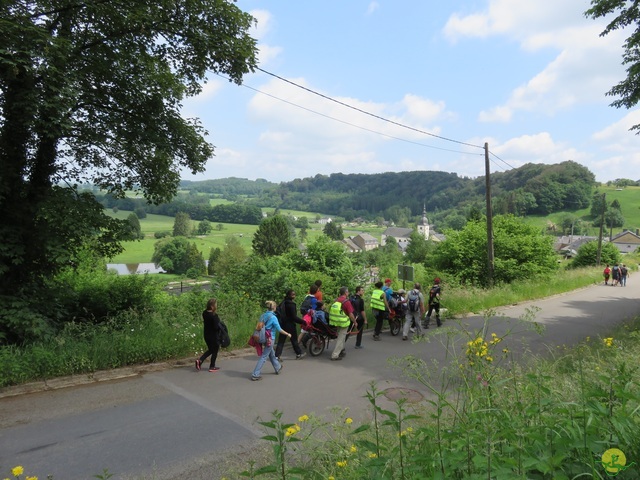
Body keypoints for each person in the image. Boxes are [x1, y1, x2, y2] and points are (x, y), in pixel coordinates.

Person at [251, 301, 291, 381]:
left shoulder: (263, 315)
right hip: (270, 338)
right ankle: (255, 374)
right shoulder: (273, 317)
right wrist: (287, 334)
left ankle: (278, 367)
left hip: (262, 337)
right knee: (264, 356)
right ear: (274, 307)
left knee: (271, 353)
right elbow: (279, 329)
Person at [274, 289, 306, 360]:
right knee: (294, 340)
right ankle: (299, 354)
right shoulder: (292, 305)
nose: (294, 296)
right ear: (290, 295)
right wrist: (303, 322)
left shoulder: (283, 303)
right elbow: (294, 317)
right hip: (290, 325)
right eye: (293, 294)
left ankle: (276, 356)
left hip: (283, 324)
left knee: (281, 340)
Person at [329, 286, 356, 361]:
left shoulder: (336, 300)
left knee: (342, 336)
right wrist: (355, 322)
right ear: (345, 293)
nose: (348, 293)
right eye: (348, 292)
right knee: (341, 338)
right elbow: (351, 314)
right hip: (343, 322)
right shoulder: (346, 302)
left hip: (336, 321)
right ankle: (335, 355)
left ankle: (342, 350)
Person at [196, 298, 221, 372]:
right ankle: (212, 366)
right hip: (213, 336)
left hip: (206, 335)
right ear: (213, 306)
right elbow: (216, 327)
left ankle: (200, 360)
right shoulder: (214, 316)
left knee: (211, 350)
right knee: (215, 350)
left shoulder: (204, 313)